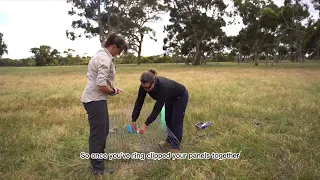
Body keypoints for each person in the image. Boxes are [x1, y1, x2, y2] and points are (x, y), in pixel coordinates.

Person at [81, 33, 128, 175]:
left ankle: (99, 158)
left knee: (104, 130)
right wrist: (113, 91)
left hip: (97, 99)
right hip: (95, 99)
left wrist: (112, 89)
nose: (118, 55)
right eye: (119, 51)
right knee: (98, 134)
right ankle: (98, 169)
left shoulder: (102, 55)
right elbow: (101, 86)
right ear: (114, 47)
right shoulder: (104, 59)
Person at [131, 69, 189, 153]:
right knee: (168, 119)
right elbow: (139, 102)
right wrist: (134, 119)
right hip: (169, 98)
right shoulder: (144, 87)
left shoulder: (163, 87)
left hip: (180, 97)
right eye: (144, 87)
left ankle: (176, 149)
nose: (146, 89)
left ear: (153, 82)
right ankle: (169, 141)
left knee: (176, 121)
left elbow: (157, 108)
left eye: (148, 87)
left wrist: (146, 124)